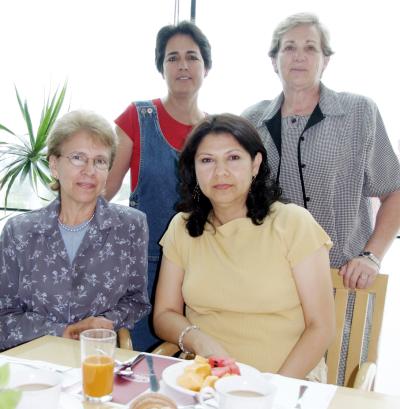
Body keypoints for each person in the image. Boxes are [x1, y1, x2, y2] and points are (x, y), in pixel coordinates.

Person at [153, 114, 335, 380]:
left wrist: (272, 387)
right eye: (207, 161)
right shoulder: (182, 227)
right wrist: (199, 341)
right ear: (194, 169)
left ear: (255, 164)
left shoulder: (293, 223)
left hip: (287, 381)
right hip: (206, 380)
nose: (220, 172)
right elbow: (164, 314)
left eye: (234, 158)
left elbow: (321, 327)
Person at [242, 13, 400, 290]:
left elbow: (394, 190)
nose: (299, 56)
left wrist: (371, 257)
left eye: (310, 48)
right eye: (289, 47)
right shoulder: (251, 121)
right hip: (271, 283)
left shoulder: (359, 112)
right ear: (274, 60)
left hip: (342, 278)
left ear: (325, 60)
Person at [0, 110, 151, 351]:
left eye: (100, 161)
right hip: (32, 360)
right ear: (54, 165)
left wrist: (106, 323)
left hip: (97, 357)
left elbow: (136, 300)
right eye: (78, 158)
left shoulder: (131, 226)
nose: (89, 170)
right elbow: (3, 315)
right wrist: (61, 332)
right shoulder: (19, 231)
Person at [105, 21, 212, 351]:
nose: (182, 65)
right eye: (172, 58)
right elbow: (102, 193)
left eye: (192, 57)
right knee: (141, 369)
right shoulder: (137, 117)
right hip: (144, 269)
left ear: (206, 67)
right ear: (161, 68)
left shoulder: (216, 130)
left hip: (202, 268)